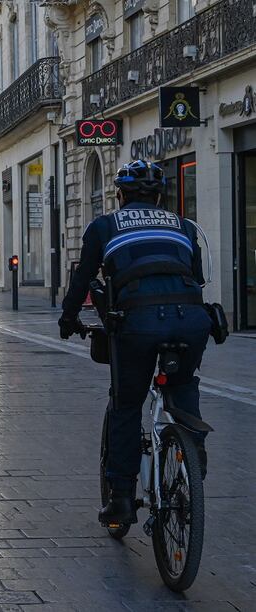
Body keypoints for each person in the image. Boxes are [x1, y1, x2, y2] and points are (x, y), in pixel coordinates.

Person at [59, 159, 211, 527]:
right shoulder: (185, 227)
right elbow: (198, 277)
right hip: (191, 320)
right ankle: (193, 451)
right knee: (183, 384)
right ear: (159, 197)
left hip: (139, 322)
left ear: (120, 195)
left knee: (127, 406)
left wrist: (68, 318)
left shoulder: (105, 226)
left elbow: (82, 279)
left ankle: (122, 500)